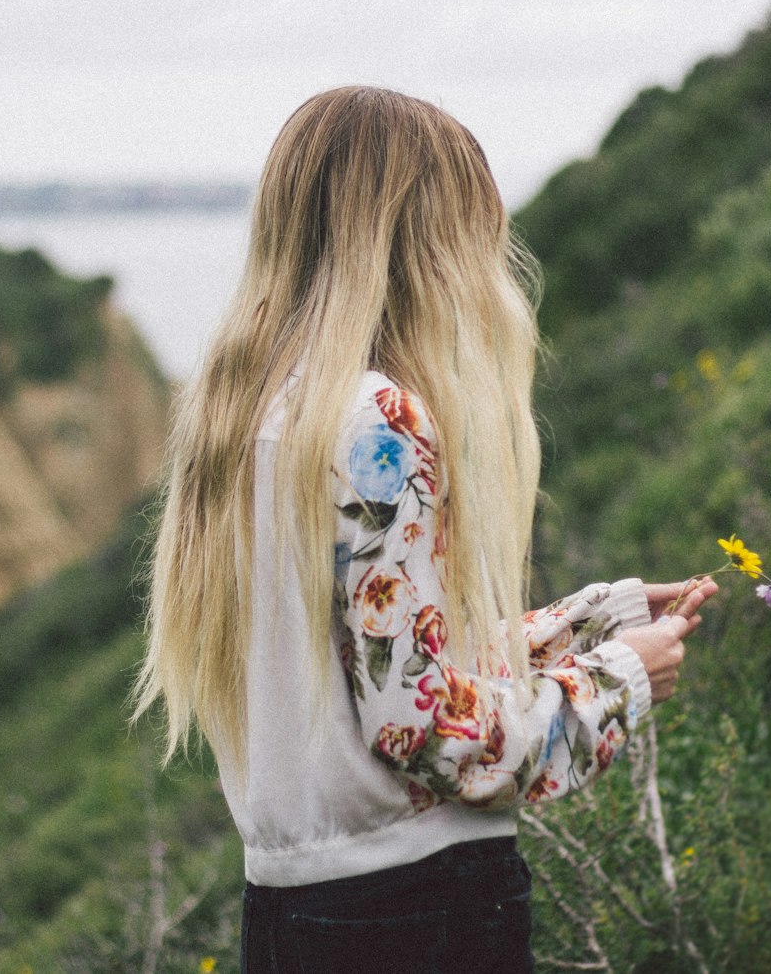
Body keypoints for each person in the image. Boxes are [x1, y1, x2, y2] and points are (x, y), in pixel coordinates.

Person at [134, 85, 716, 973]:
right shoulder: (380, 421)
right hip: (418, 907)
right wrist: (619, 681)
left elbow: (374, 661)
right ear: (420, 240)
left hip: (292, 918)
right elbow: (427, 732)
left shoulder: (254, 414)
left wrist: (598, 617)